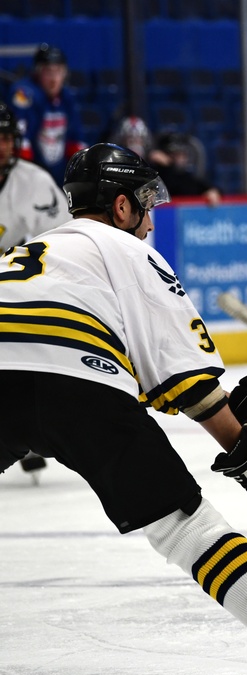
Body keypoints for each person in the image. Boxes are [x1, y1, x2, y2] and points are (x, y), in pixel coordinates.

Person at [0, 143, 247, 675]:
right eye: (144, 203)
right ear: (120, 207)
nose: (148, 217)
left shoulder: (28, 251)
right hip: (79, 381)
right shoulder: (127, 251)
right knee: (183, 526)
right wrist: (246, 448)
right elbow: (186, 383)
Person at [0, 100, 72, 481]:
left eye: (5, 138)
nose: (0, 146)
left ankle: (21, 435)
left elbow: (59, 240)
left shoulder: (35, 181)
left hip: (12, 289)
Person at [9, 44, 86, 186]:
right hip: (31, 174)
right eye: (48, 72)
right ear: (38, 72)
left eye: (58, 71)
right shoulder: (24, 93)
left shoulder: (67, 96)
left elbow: (76, 138)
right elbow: (20, 140)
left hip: (59, 172)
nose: (53, 79)